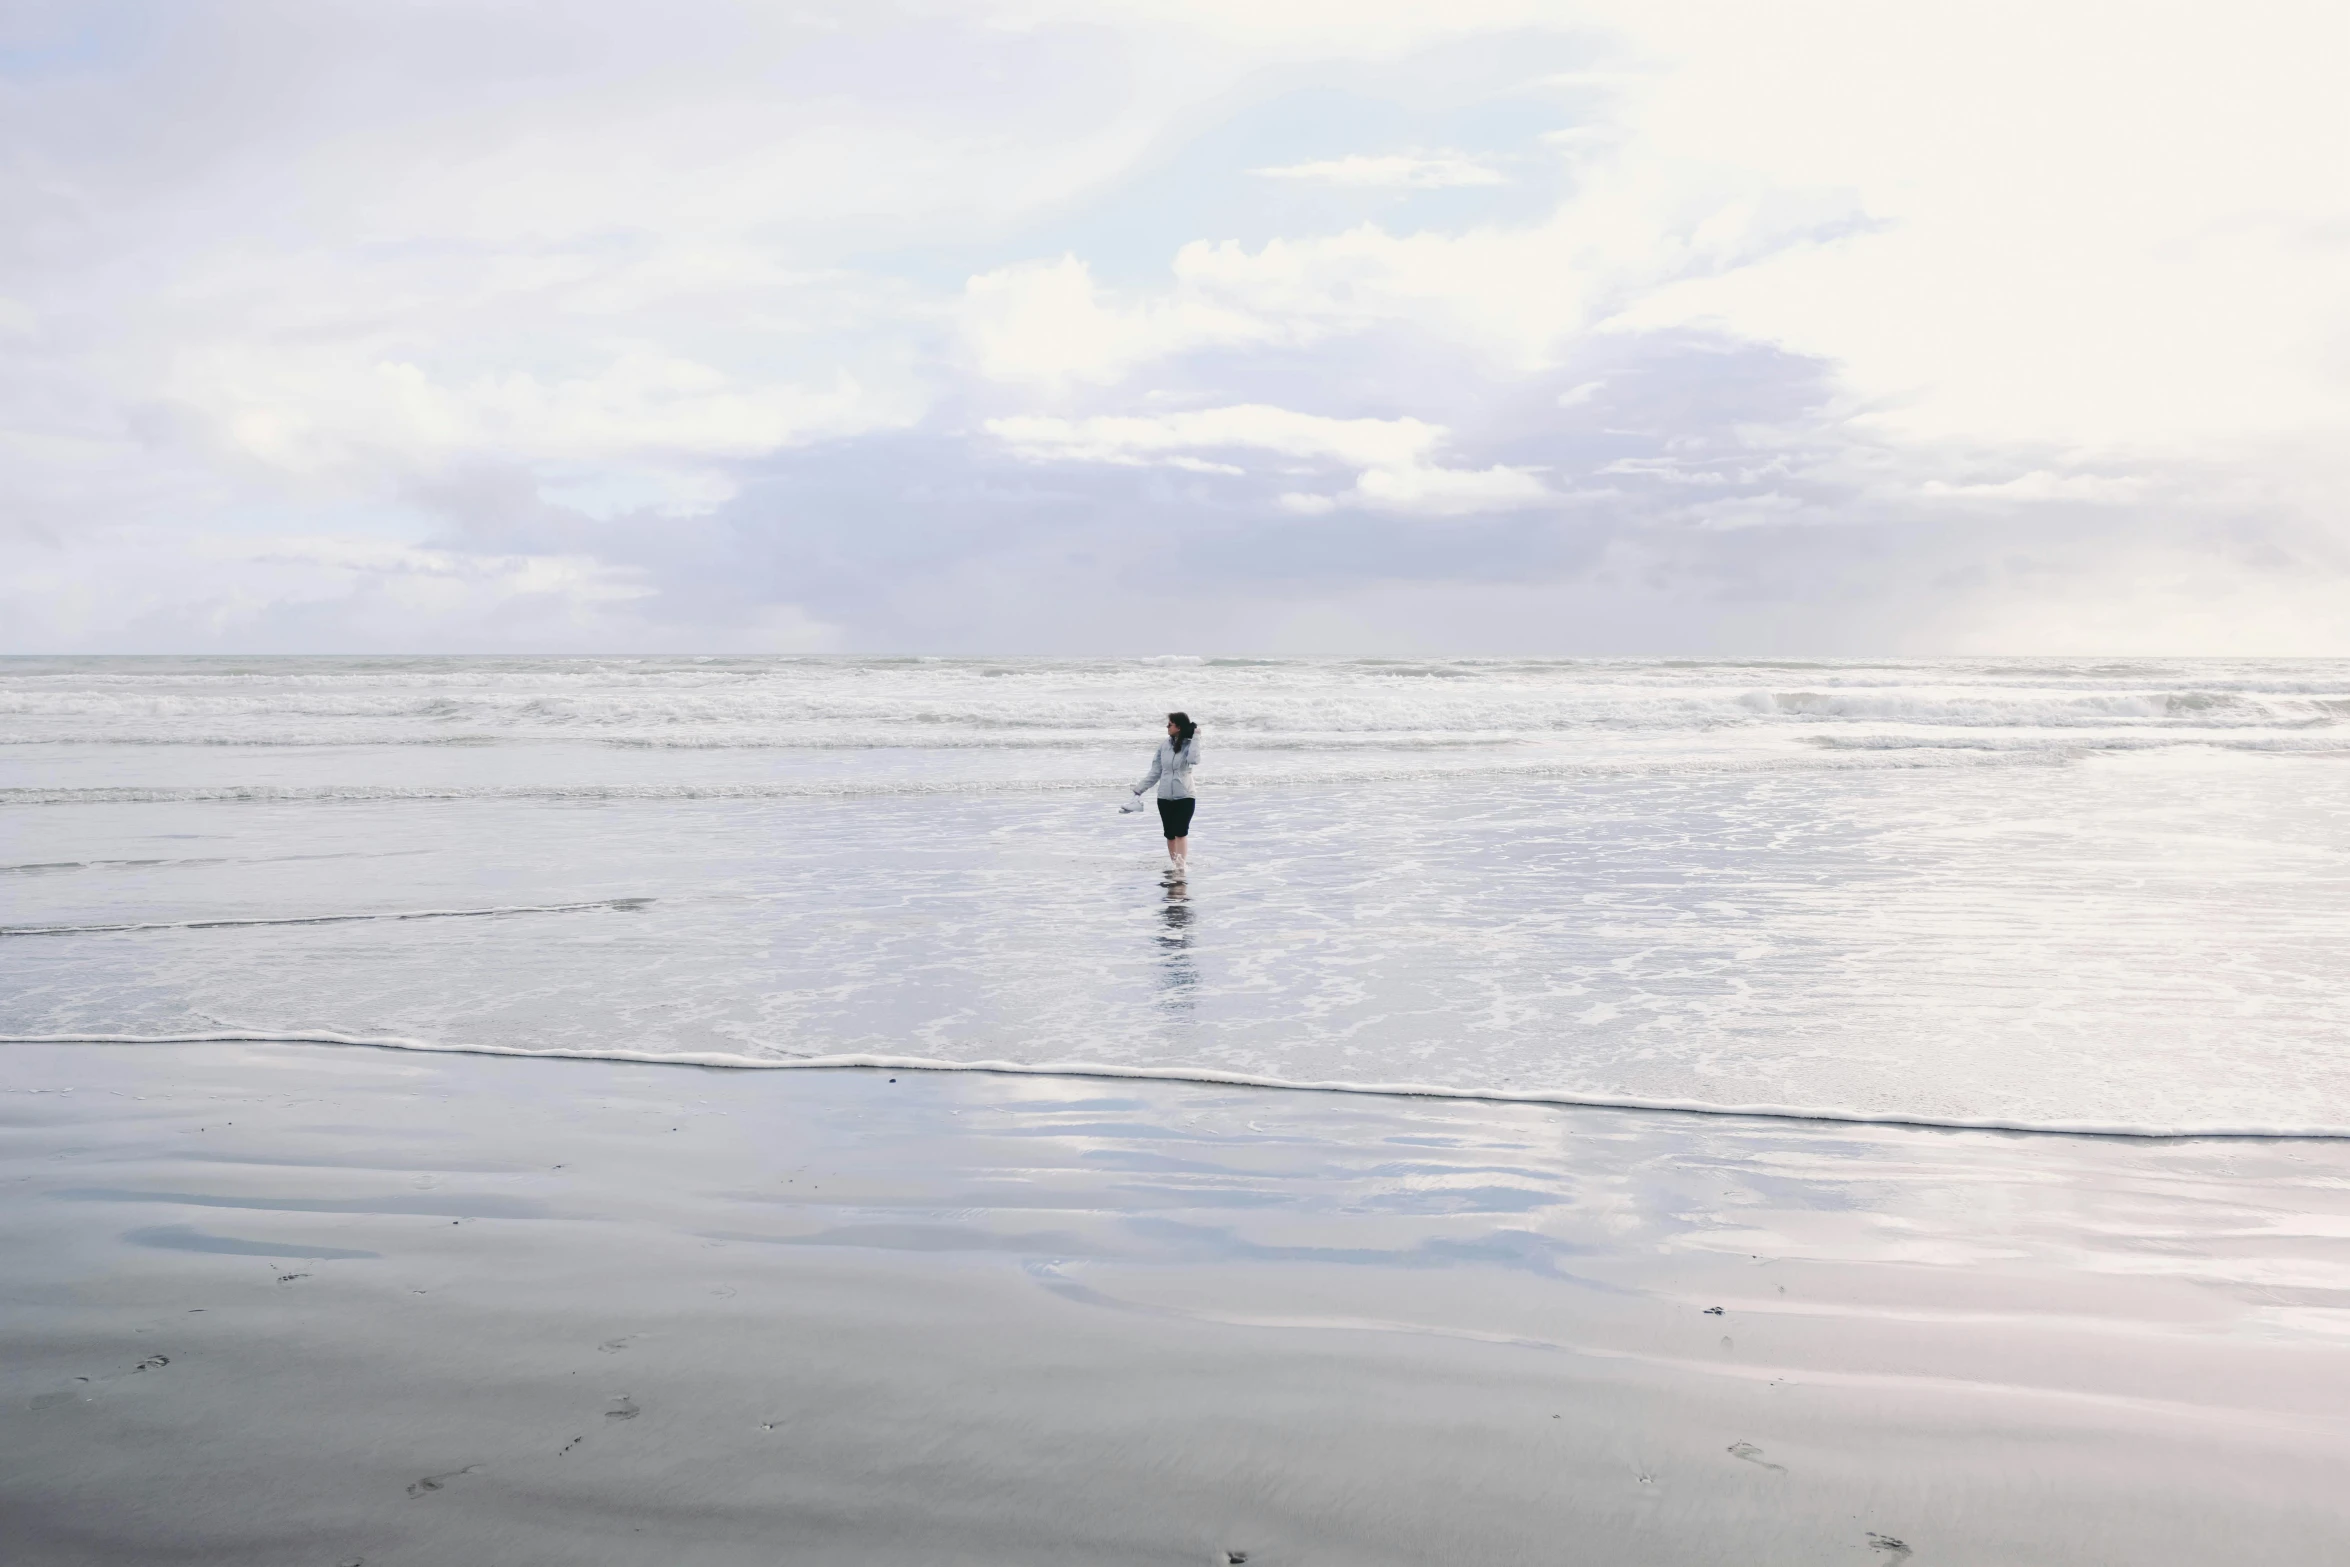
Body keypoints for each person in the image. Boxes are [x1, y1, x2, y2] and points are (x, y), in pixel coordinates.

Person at [1130, 711, 1199, 870]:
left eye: (1170, 724)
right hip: (1164, 797)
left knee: (1181, 832)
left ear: (1179, 727)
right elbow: (1155, 772)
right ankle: (1175, 865)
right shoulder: (1164, 746)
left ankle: (1181, 867)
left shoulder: (1190, 744)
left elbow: (1194, 759)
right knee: (1169, 834)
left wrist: (1196, 738)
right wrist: (1139, 790)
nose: (1167, 726)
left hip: (1185, 795)